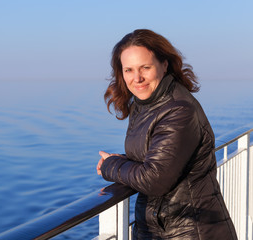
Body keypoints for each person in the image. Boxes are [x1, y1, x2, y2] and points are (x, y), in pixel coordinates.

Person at [96, 29, 237, 239]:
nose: (137, 78)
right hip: (160, 229)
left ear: (164, 65)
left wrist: (111, 166)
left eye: (145, 67)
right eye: (129, 70)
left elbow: (155, 180)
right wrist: (127, 161)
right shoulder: (143, 105)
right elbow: (160, 157)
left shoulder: (179, 110)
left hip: (191, 231)